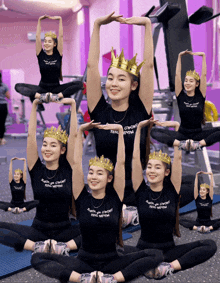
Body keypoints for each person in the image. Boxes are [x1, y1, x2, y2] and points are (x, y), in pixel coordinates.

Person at [31, 122, 163, 283]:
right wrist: (79, 131)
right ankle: (84, 279)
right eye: (91, 173)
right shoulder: (82, 198)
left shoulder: (115, 198)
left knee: (156, 254)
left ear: (109, 178)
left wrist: (121, 131)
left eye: (99, 173)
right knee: (38, 258)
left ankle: (112, 279)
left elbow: (121, 163)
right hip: (84, 262)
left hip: (112, 261)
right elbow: (76, 164)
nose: (93, 177)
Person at [128, 118, 217, 279]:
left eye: (157, 167)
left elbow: (178, 159)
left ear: (166, 172)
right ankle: (146, 265)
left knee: (209, 245)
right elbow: (135, 160)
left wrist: (177, 133)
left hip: (168, 250)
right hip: (144, 250)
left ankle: (166, 268)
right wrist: (139, 128)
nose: (151, 171)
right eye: (149, 167)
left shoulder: (172, 191)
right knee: (110, 250)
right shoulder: (141, 191)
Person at [87, 13, 154, 205]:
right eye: (110, 78)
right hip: (105, 188)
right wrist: (97, 24)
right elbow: (92, 67)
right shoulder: (99, 111)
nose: (113, 84)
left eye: (121, 79)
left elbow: (148, 66)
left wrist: (147, 26)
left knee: (187, 187)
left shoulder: (140, 110)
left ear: (133, 85)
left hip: (135, 187)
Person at [0, 98, 81, 255]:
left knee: (103, 228)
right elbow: (31, 136)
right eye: (44, 144)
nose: (47, 149)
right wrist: (35, 105)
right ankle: (38, 247)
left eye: (53, 145)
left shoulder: (68, 168)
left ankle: (64, 247)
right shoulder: (36, 169)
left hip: (64, 230)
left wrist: (72, 104)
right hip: (38, 231)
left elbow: (74, 136)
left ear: (63, 150)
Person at [151, 50, 220, 151]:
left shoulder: (200, 95)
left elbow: (204, 75)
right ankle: (181, 145)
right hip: (182, 135)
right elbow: (177, 76)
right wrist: (179, 57)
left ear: (197, 84)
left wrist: (204, 57)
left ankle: (199, 145)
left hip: (198, 134)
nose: (187, 83)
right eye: (186, 81)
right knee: (154, 132)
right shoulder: (181, 96)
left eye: (191, 81)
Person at [15, 15, 83, 103]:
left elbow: (61, 37)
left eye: (49, 41)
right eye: (45, 41)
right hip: (42, 88)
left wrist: (60, 20)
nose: (46, 43)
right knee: (18, 86)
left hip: (56, 88)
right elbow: (37, 37)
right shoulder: (41, 54)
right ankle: (41, 97)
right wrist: (39, 21)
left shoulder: (58, 54)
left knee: (79, 83)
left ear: (55, 44)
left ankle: (57, 96)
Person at [0, 70, 10, 145]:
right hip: (2, 106)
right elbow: (8, 96)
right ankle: (1, 139)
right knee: (2, 122)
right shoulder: (4, 86)